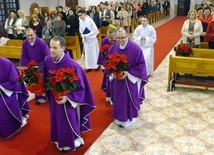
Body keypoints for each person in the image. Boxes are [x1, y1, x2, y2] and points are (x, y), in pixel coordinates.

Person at [43, 36, 96, 152]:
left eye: (55, 48)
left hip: (68, 101)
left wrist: (67, 98)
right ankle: (58, 139)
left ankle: (72, 141)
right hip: (54, 99)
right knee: (56, 118)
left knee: (68, 120)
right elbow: (45, 78)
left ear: (63, 48)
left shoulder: (72, 65)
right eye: (50, 47)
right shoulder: (47, 60)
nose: (51, 50)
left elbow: (81, 88)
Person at [106, 27, 148, 127]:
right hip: (117, 80)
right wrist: (113, 72)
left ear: (128, 36)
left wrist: (128, 73)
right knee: (118, 99)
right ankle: (119, 118)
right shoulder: (113, 48)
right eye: (118, 38)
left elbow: (141, 65)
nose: (120, 40)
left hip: (129, 80)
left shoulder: (135, 48)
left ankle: (130, 118)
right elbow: (108, 63)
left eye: (122, 38)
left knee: (128, 98)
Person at [0, 57, 30, 139]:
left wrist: (1, 87)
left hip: (7, 90)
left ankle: (12, 126)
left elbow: (15, 80)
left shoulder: (6, 63)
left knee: (2, 105)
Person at [20, 28, 50, 104]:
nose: (29, 37)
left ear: (35, 34)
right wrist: (25, 66)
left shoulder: (41, 43)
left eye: (31, 35)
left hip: (42, 65)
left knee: (42, 81)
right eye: (27, 35)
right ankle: (38, 96)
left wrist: (43, 65)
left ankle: (45, 96)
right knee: (34, 82)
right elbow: (24, 55)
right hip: (32, 66)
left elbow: (47, 55)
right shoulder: (25, 43)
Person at [97, 27, 117, 102]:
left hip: (116, 65)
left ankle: (116, 96)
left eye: (112, 37)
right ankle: (109, 95)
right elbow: (101, 52)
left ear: (116, 35)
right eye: (108, 37)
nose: (110, 40)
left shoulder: (119, 41)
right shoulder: (104, 40)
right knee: (108, 80)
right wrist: (102, 64)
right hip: (107, 64)